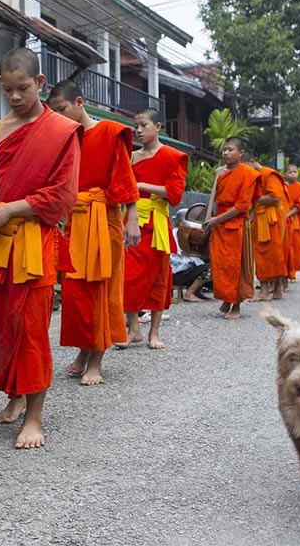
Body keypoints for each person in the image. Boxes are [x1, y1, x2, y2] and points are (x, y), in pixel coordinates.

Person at [0, 47, 80, 449]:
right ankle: (15, 395)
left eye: (23, 89)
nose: (15, 97)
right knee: (3, 325)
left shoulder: (60, 131)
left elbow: (63, 196)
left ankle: (34, 417)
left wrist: (12, 210)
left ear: (39, 84)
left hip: (33, 241)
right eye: (7, 89)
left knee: (31, 328)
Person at [48, 79, 140, 386]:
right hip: (76, 221)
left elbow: (125, 177)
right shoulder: (65, 138)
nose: (58, 116)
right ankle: (82, 353)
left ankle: (96, 360)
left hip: (104, 219)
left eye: (62, 109)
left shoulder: (109, 132)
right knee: (76, 292)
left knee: (102, 289)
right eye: (54, 111)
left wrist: (132, 217)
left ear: (79, 102)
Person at [121, 109, 187, 349]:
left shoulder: (172, 156)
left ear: (158, 127)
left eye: (143, 125)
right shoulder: (130, 157)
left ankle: (154, 332)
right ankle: (134, 328)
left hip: (156, 220)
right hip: (131, 220)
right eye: (135, 126)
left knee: (160, 276)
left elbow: (175, 194)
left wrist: (141, 184)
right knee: (128, 276)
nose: (138, 130)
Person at [204, 138, 260, 319]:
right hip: (219, 223)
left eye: (230, 150)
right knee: (220, 265)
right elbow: (215, 199)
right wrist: (211, 220)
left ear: (241, 153)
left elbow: (243, 205)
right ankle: (227, 298)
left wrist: (217, 219)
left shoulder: (248, 174)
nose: (225, 153)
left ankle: (236, 305)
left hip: (236, 225)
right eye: (224, 150)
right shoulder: (221, 172)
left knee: (237, 265)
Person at [247, 157, 289, 301]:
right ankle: (265, 289)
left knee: (276, 253)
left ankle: (276, 288)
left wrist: (252, 199)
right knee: (260, 254)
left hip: (273, 219)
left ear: (252, 162)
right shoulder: (252, 177)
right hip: (259, 218)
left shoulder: (269, 174)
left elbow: (275, 197)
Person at [284, 164, 300, 278]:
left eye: (294, 172)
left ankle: (291, 271)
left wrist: (288, 214)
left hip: (294, 220)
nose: (292, 174)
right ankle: (284, 272)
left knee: (293, 246)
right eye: (290, 172)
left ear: (298, 173)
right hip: (282, 217)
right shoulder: (283, 187)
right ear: (285, 174)